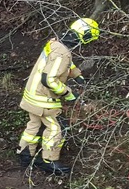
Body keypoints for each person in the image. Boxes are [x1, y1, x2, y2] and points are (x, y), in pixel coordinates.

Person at [15, 17, 100, 174]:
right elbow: (48, 79)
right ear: (85, 36)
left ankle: (25, 155)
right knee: (56, 128)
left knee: (33, 125)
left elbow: (63, 64)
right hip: (43, 99)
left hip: (31, 95)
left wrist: (77, 75)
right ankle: (49, 161)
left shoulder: (56, 43)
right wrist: (68, 93)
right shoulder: (63, 53)